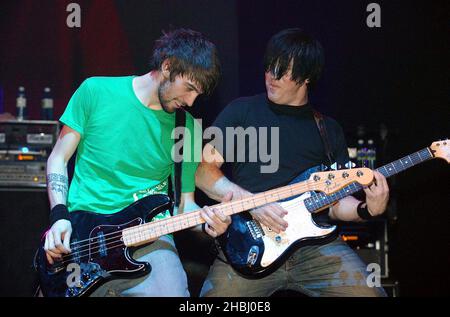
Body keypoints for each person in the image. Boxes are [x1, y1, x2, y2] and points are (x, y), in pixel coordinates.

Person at [195, 28, 389, 297]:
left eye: (284, 71)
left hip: (315, 248)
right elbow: (203, 174)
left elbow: (335, 204)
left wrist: (368, 209)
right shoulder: (241, 111)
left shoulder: (328, 130)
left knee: (371, 294)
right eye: (269, 67)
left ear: (307, 77)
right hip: (250, 243)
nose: (271, 77)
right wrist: (254, 202)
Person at [43, 28, 231, 297]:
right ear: (167, 67)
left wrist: (206, 223)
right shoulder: (95, 90)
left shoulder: (186, 129)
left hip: (149, 237)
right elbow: (58, 159)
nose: (190, 101)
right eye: (189, 88)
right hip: (84, 233)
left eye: (197, 95)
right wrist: (59, 217)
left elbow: (183, 205)